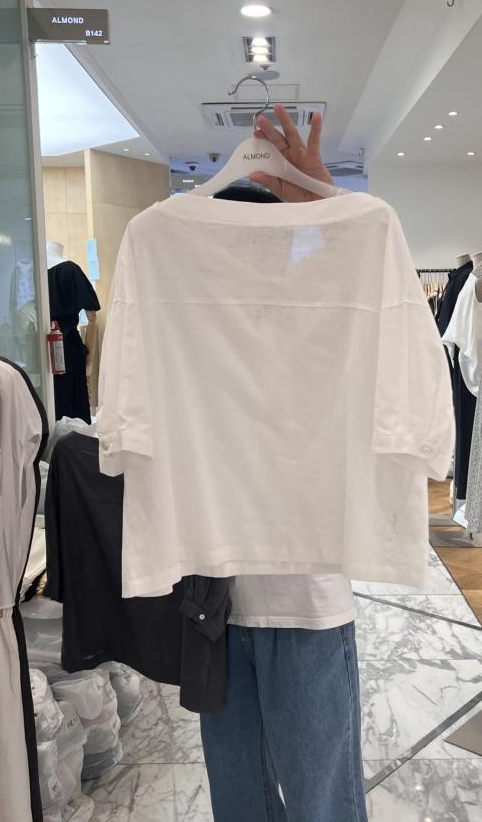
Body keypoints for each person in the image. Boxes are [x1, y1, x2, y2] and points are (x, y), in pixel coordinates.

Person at [199, 105, 369, 822]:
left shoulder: (318, 316)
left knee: (321, 804)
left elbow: (366, 295)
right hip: (212, 599)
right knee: (238, 803)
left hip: (305, 599)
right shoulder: (191, 322)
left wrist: (324, 204)